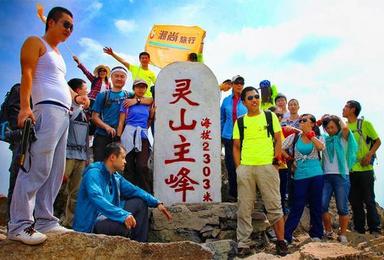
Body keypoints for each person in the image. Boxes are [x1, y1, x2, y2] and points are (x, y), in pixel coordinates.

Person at [8, 7, 89, 245]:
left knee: (55, 171)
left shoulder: (58, 55)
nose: (69, 30)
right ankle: (19, 224)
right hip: (46, 110)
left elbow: (59, 82)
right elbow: (28, 73)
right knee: (37, 167)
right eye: (65, 24)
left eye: (72, 27)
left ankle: (45, 220)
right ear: (51, 22)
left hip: (64, 114)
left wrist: (76, 97)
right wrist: (25, 107)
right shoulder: (35, 42)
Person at [72, 142, 172, 242]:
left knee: (140, 203)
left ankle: (140, 246)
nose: (125, 161)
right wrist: (123, 215)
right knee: (123, 226)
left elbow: (134, 190)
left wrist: (156, 202)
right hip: (92, 223)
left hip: (108, 215)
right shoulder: (93, 174)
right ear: (112, 157)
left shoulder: (115, 176)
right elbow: (98, 199)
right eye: (123, 157)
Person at [233, 86, 287, 257]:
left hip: (267, 166)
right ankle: (243, 243)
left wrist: (276, 161)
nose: (255, 99)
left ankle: (280, 242)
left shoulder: (270, 116)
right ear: (244, 102)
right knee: (244, 207)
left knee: (274, 206)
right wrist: (239, 167)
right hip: (246, 168)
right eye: (250, 98)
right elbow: (236, 146)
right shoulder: (240, 121)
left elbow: (278, 139)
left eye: (256, 96)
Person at [283, 114, 325, 243]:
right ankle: (286, 235)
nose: (301, 122)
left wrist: (310, 135)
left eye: (304, 120)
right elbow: (281, 148)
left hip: (316, 174)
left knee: (316, 204)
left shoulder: (318, 137)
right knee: (297, 205)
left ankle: (316, 234)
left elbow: (321, 147)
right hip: (300, 176)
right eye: (300, 120)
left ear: (312, 123)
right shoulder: (294, 137)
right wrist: (290, 159)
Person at [342, 100, 381, 235]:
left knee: (369, 199)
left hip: (365, 169)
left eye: (346, 106)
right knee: (355, 200)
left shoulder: (365, 124)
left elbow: (377, 141)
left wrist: (369, 155)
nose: (343, 109)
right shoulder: (345, 127)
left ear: (353, 109)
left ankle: (374, 228)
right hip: (351, 169)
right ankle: (359, 229)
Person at [320, 115, 357, 243]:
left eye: (333, 127)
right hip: (326, 177)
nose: (330, 130)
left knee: (342, 207)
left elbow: (345, 128)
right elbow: (313, 132)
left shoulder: (343, 138)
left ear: (337, 127)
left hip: (342, 176)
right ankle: (328, 231)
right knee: (322, 205)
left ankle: (342, 234)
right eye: (327, 127)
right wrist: (321, 120)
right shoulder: (323, 139)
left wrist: (337, 118)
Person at [61, 78, 90, 228]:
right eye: (85, 89)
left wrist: (86, 156)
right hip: (66, 154)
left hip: (80, 156)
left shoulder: (84, 110)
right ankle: (39, 219)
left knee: (76, 192)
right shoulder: (66, 105)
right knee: (55, 187)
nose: (87, 91)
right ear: (78, 90)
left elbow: (86, 135)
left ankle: (69, 223)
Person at [117, 79, 154, 193]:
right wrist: (118, 139)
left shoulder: (149, 103)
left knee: (142, 166)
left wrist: (137, 101)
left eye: (143, 87)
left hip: (142, 137)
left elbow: (149, 119)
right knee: (128, 167)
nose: (141, 89)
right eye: (138, 87)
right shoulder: (126, 103)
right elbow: (121, 122)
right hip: (128, 135)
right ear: (133, 88)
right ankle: (129, 194)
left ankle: (147, 194)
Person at [92, 66, 131, 162]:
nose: (119, 78)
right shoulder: (102, 95)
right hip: (102, 136)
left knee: (117, 167)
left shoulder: (129, 95)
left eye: (122, 76)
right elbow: (94, 117)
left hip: (121, 137)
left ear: (126, 79)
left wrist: (136, 100)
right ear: (111, 78)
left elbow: (148, 99)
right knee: (99, 164)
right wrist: (107, 127)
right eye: (116, 76)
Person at [220, 75, 247, 200]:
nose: (239, 85)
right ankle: (233, 193)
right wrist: (220, 135)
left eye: (242, 83)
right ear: (232, 84)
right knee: (230, 165)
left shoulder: (247, 99)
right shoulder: (226, 101)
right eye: (237, 83)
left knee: (244, 165)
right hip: (228, 136)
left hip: (244, 138)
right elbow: (222, 118)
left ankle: (245, 193)